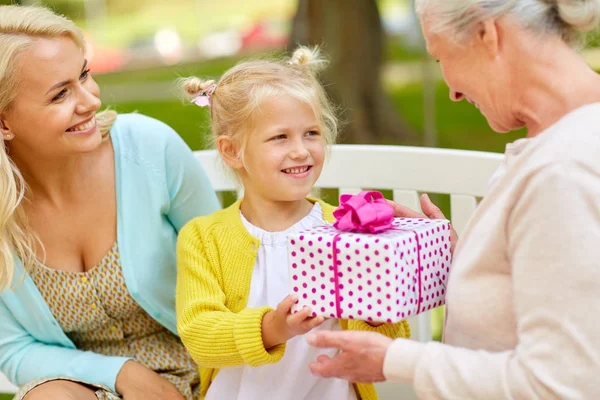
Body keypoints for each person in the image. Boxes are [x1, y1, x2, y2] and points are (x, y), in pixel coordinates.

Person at [306, 0, 600, 398]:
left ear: (486, 34)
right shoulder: (562, 141)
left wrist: (395, 359)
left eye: (441, 55)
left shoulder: (562, 171)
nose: (453, 90)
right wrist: (470, 260)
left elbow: (558, 385)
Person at [0, 5, 220, 400]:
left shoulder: (149, 148)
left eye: (84, 75)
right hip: (93, 388)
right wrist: (121, 373)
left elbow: (229, 268)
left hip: (209, 372)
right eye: (61, 94)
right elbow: (12, 349)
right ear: (4, 121)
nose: (90, 101)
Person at [175, 46, 410, 400]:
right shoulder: (204, 238)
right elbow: (199, 336)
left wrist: (376, 308)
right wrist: (274, 328)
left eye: (311, 133)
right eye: (280, 137)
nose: (301, 150)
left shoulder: (347, 229)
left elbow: (391, 343)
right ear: (231, 151)